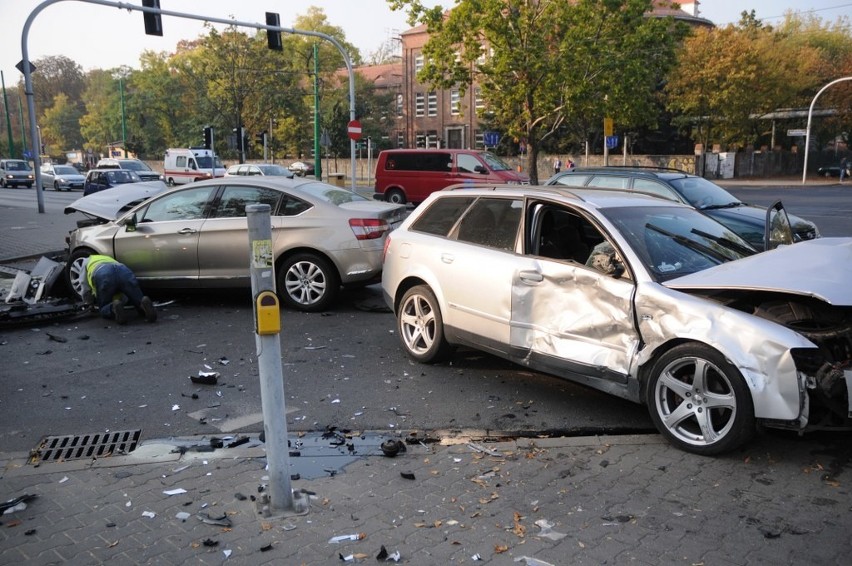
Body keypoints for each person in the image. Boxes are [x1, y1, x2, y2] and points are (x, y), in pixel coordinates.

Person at [80, 254, 156, 324]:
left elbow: (84, 285)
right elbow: (123, 293)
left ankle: (112, 308)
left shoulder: (86, 262)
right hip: (123, 270)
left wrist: (89, 302)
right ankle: (143, 304)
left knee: (103, 308)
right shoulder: (107, 257)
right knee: (137, 300)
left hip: (104, 273)